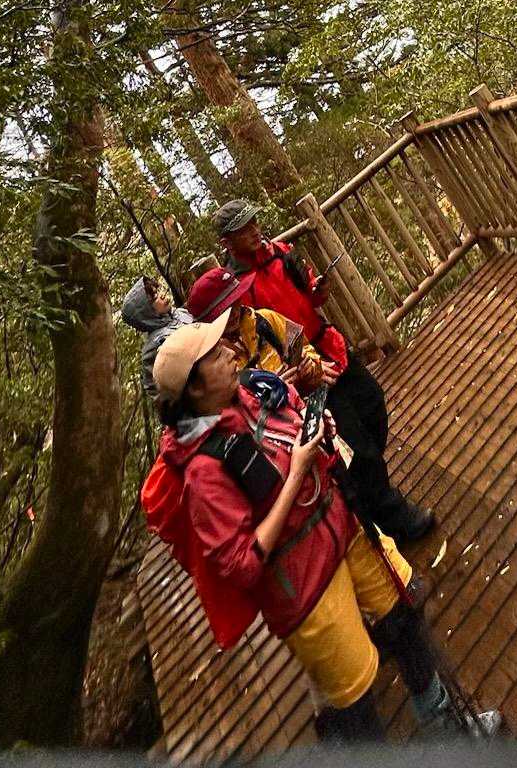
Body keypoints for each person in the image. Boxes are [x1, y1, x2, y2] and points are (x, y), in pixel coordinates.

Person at [144, 312, 498, 741]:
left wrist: (319, 430)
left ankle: (448, 728)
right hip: (304, 583)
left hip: (345, 525)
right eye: (216, 355)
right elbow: (240, 564)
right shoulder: (203, 473)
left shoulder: (251, 392)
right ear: (195, 389)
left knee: (404, 616)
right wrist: (296, 472)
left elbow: (292, 420)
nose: (230, 353)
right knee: (355, 696)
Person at [213, 199, 435, 544]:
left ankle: (364, 493)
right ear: (227, 243)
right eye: (244, 230)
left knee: (373, 404)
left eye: (254, 222)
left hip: (328, 346)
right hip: (305, 376)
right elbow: (257, 348)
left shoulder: (281, 252)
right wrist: (301, 372)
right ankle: (395, 518)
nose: (254, 231)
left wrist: (317, 292)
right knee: (357, 446)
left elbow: (308, 295)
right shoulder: (238, 291)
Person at [187, 264, 328, 387]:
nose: (233, 313)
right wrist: (275, 391)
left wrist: (309, 367)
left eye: (234, 302)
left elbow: (307, 350)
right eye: (223, 311)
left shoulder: (265, 319)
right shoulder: (213, 363)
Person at [120, 275, 193, 398]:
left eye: (158, 291)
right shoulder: (155, 345)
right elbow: (158, 392)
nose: (162, 295)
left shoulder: (180, 313)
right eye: (154, 298)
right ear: (145, 312)